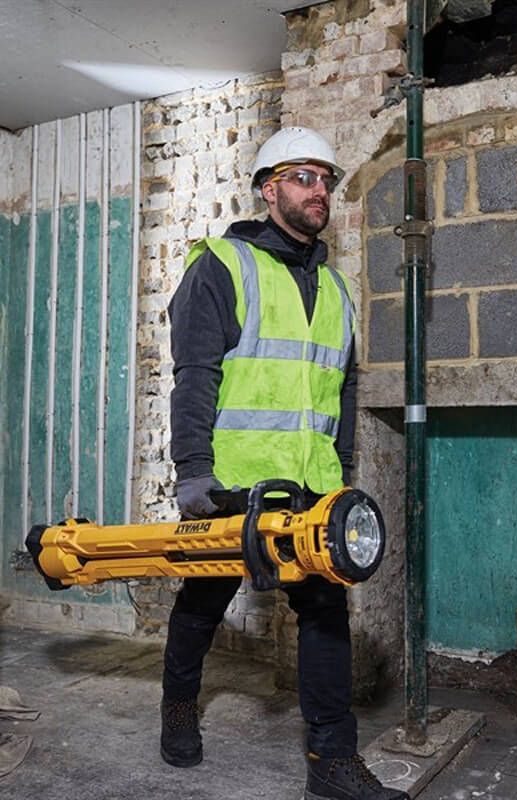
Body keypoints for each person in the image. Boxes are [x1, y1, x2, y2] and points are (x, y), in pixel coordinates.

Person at [161, 126, 409, 800]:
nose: (318, 190)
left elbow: (344, 388)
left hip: (311, 485)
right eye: (303, 177)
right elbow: (195, 374)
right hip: (234, 483)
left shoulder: (336, 288)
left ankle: (331, 759)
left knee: (325, 613)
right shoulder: (222, 265)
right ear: (269, 191)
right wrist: (193, 473)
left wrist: (342, 471)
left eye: (325, 179)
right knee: (203, 601)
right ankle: (178, 708)